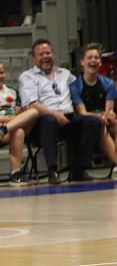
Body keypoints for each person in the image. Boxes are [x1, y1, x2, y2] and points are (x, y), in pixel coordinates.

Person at [19, 39, 102, 184]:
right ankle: (53, 171)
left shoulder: (65, 74)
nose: (45, 56)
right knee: (49, 120)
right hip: (41, 123)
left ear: (53, 54)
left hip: (68, 119)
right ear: (34, 58)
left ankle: (78, 170)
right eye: (41, 54)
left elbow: (81, 92)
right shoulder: (27, 77)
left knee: (93, 121)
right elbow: (32, 105)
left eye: (48, 53)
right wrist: (54, 114)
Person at [70, 43, 117, 179]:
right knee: (99, 124)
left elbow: (109, 110)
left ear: (100, 62)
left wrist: (109, 116)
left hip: (104, 118)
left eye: (96, 58)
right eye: (90, 57)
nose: (93, 61)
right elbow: (82, 112)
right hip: (86, 123)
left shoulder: (108, 84)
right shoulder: (75, 85)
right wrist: (101, 117)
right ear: (82, 62)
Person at [0, 61, 39, 186]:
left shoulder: (12, 92)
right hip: (7, 126)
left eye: (1, 72)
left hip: (7, 129)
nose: (0, 76)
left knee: (33, 111)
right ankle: (16, 173)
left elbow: (19, 113)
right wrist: (12, 119)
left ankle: (15, 175)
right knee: (18, 129)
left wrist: (21, 112)